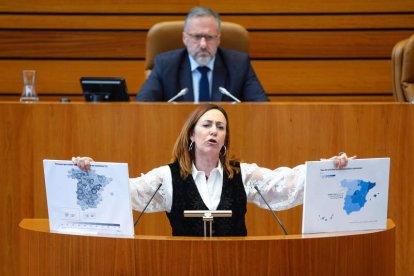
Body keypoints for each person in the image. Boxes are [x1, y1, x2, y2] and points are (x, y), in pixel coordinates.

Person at [73, 104, 354, 237]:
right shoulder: (166, 178)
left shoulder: (243, 174)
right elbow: (127, 191)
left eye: (220, 127)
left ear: (224, 139)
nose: (214, 131)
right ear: (192, 135)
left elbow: (285, 184)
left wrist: (328, 169)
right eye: (207, 125)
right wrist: (90, 172)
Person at [135, 7, 269, 102]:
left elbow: (261, 107)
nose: (203, 44)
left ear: (218, 39)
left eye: (209, 37)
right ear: (184, 38)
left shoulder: (239, 65)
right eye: (197, 37)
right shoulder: (165, 64)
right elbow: (143, 105)